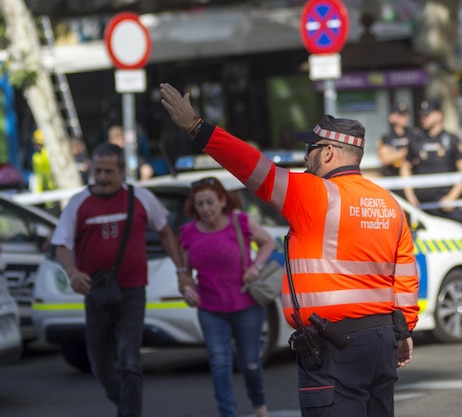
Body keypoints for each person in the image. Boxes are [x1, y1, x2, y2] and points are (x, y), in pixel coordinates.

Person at [160, 83, 419, 417]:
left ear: (328, 153)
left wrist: (196, 126)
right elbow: (407, 276)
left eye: (310, 149)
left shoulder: (314, 194)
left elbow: (250, 165)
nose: (306, 157)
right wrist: (403, 331)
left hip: (334, 345)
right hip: (381, 341)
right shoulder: (388, 203)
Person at [50, 142, 185, 417]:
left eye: (109, 171)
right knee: (100, 363)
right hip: (96, 292)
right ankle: (123, 402)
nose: (102, 177)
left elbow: (166, 233)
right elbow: (61, 245)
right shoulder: (79, 203)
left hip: (133, 291)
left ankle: (129, 412)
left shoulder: (141, 197)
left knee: (129, 359)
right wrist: (73, 272)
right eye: (97, 171)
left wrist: (182, 272)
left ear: (122, 170)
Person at [179, 176, 275, 417]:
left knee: (250, 363)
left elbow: (268, 243)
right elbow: (184, 273)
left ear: (222, 200)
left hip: (246, 305)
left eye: (210, 202)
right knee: (220, 364)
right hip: (210, 309)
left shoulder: (240, 221)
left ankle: (259, 405)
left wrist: (256, 268)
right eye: (199, 204)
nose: (205, 209)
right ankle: (227, 413)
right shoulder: (188, 232)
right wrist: (187, 289)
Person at [400, 99, 462, 224]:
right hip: (421, 203)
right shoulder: (416, 140)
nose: (423, 119)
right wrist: (410, 196)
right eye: (422, 115)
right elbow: (405, 167)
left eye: (427, 115)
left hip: (445, 202)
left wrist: (452, 197)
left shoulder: (451, 140)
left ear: (438, 115)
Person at [377, 102, 422, 179]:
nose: (406, 117)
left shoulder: (415, 135)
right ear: (392, 117)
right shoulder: (386, 138)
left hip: (412, 178)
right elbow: (384, 160)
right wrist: (403, 152)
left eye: (406, 114)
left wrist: (393, 154)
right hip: (391, 177)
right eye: (401, 115)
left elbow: (418, 157)